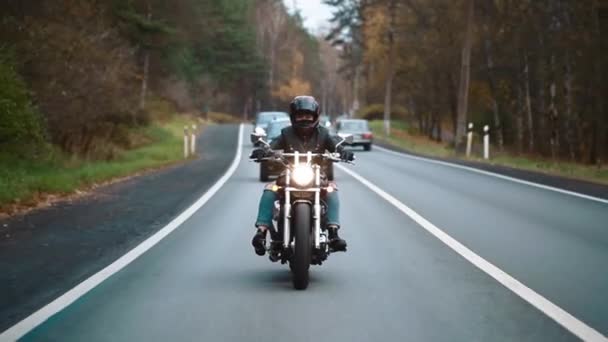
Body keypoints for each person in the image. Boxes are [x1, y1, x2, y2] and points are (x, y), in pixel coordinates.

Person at [250, 96, 354, 256]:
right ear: (293, 117)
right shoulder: (286, 133)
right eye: (300, 115)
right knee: (270, 188)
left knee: (332, 190)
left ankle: (333, 234)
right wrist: (264, 150)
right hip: (290, 173)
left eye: (308, 115)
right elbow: (272, 146)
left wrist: (343, 151)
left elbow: (335, 145)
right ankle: (261, 233)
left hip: (316, 174)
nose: (304, 118)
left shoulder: (323, 134)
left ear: (315, 116)